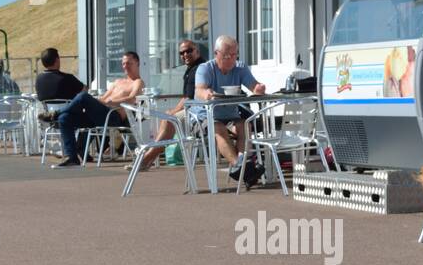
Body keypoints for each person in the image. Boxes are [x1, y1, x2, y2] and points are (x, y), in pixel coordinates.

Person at [43, 51, 145, 168]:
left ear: (137, 63)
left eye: (129, 63)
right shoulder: (118, 82)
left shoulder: (138, 82)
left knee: (82, 96)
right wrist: (96, 102)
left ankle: (55, 114)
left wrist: (113, 101)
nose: (125, 66)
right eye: (123, 63)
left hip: (113, 117)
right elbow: (103, 99)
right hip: (99, 116)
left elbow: (132, 99)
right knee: (65, 118)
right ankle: (71, 157)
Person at [196, 35, 266, 185]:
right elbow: (199, 90)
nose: (231, 59)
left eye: (234, 54)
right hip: (205, 117)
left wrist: (258, 88)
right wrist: (207, 94)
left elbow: (253, 85)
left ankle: (241, 166)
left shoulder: (240, 67)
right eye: (227, 55)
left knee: (244, 125)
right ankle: (242, 168)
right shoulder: (205, 68)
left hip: (230, 115)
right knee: (218, 127)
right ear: (216, 54)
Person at [138, 40, 205, 171]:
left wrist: (173, 111)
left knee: (169, 119)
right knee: (166, 116)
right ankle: (150, 156)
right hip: (195, 109)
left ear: (197, 51)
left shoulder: (198, 69)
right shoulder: (192, 68)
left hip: (200, 112)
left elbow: (188, 98)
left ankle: (147, 158)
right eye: (182, 53)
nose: (185, 54)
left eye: (189, 51)